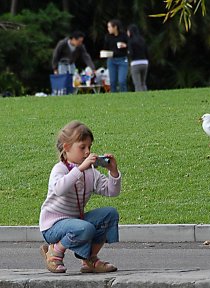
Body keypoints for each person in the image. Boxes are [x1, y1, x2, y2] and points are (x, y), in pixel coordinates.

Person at [39, 121, 122, 273]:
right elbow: (59, 189)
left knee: (110, 214)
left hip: (76, 222)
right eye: (82, 147)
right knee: (85, 227)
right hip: (52, 226)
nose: (87, 152)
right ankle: (54, 252)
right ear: (66, 147)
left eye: (89, 147)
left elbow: (112, 191)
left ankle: (89, 259)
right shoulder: (60, 169)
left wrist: (113, 172)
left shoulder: (90, 172)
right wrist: (80, 169)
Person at [103, 19, 128, 92]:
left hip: (122, 60)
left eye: (109, 27)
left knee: (121, 81)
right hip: (111, 60)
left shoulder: (124, 35)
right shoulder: (108, 36)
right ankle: (113, 97)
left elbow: (130, 45)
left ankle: (124, 97)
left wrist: (125, 45)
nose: (108, 29)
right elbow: (105, 48)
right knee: (112, 81)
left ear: (115, 27)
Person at [127, 24, 149, 92]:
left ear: (130, 32)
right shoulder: (142, 40)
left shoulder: (131, 41)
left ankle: (140, 99)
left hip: (135, 63)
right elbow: (147, 52)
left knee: (137, 84)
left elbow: (131, 53)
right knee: (143, 83)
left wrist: (127, 53)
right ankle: (146, 97)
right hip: (145, 62)